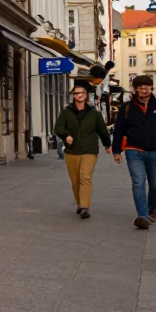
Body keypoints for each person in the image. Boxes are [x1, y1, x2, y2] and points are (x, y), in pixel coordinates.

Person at [112, 75, 156, 229]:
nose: (144, 89)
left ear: (151, 88)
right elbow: (119, 129)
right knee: (138, 182)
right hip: (134, 151)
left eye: (146, 87)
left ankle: (152, 208)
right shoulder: (127, 107)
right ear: (135, 90)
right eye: (140, 87)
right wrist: (116, 150)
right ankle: (142, 216)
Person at [54, 85, 111, 219]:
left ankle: (85, 206)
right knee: (75, 180)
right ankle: (80, 204)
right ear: (73, 96)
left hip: (89, 150)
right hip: (71, 151)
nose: (78, 95)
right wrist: (66, 135)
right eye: (76, 93)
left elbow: (102, 130)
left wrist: (107, 145)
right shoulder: (66, 112)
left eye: (81, 93)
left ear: (85, 95)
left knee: (85, 177)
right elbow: (58, 127)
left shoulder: (94, 113)